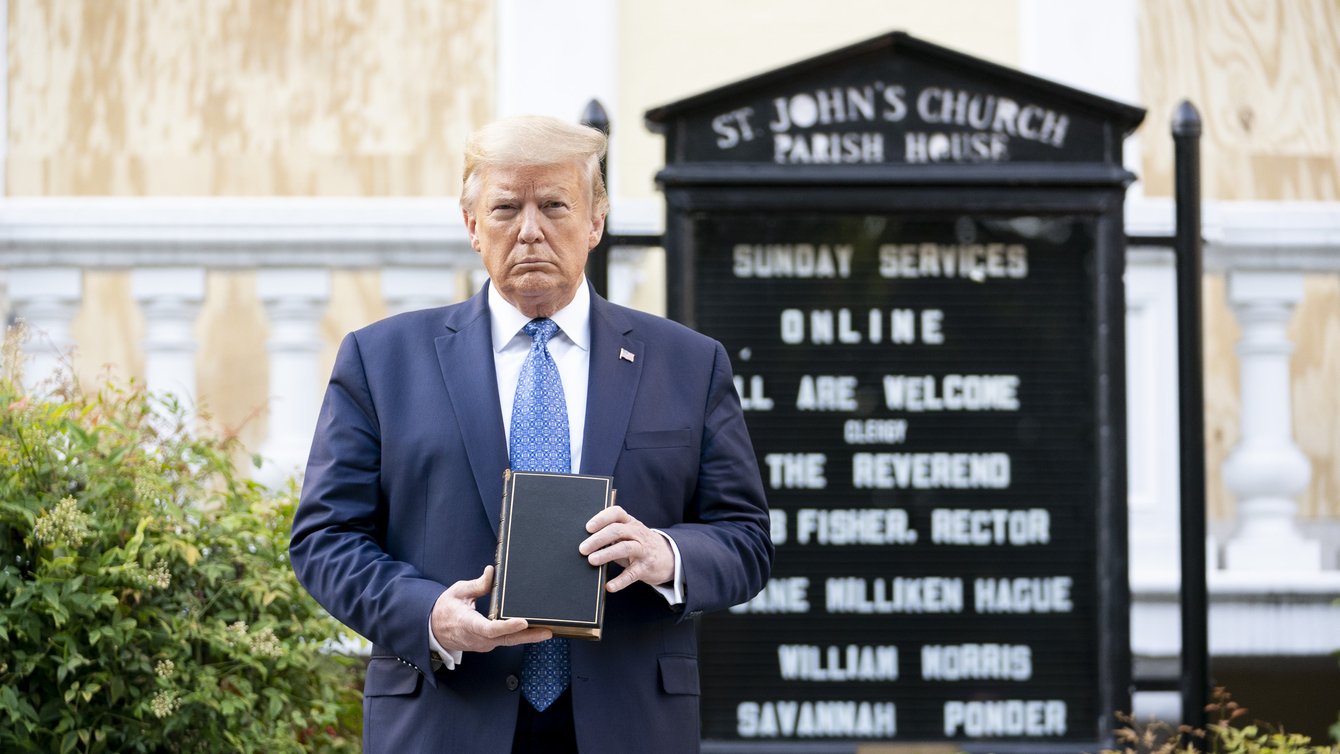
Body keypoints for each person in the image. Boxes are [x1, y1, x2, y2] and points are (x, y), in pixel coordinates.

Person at [290, 115, 773, 754]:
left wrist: (667, 555)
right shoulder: (381, 362)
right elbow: (325, 538)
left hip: (628, 723)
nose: (529, 230)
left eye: (553, 205)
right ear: (470, 226)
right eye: (505, 208)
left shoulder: (688, 363)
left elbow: (745, 538)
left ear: (595, 221)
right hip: (445, 716)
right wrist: (428, 614)